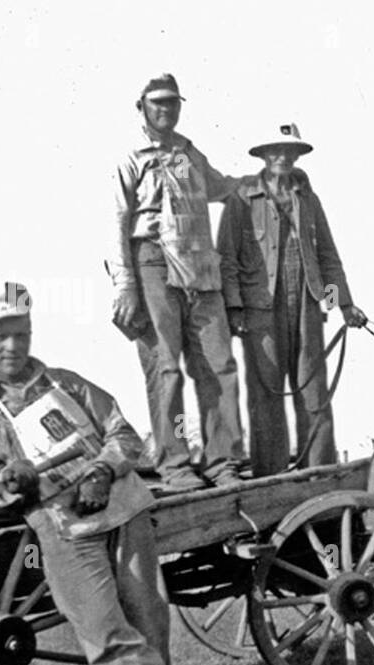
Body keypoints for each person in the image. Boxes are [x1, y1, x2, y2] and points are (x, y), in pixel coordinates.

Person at [0, 281, 225, 665]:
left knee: (149, 627)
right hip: (63, 528)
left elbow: (122, 432)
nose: (12, 346)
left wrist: (101, 472)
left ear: (30, 334)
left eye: (20, 334)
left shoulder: (68, 384)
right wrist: (10, 479)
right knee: (104, 634)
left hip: (125, 508)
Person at [110, 73, 244, 491]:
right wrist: (125, 284)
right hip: (151, 260)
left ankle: (223, 461)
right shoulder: (130, 157)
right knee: (165, 367)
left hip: (199, 261)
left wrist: (259, 182)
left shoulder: (188, 153)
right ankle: (176, 463)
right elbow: (116, 221)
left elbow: (219, 187)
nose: (166, 110)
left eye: (172, 103)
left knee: (217, 363)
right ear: (142, 108)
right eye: (158, 103)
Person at [216, 123, 367, 475]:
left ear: (298, 155)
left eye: (289, 151)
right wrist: (235, 309)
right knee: (266, 397)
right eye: (275, 151)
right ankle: (271, 484)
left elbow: (327, 255)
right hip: (260, 313)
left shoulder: (308, 199)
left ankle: (321, 477)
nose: (282, 157)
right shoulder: (241, 199)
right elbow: (227, 258)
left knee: (314, 395)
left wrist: (343, 304)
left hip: (307, 308)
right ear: (264, 156)